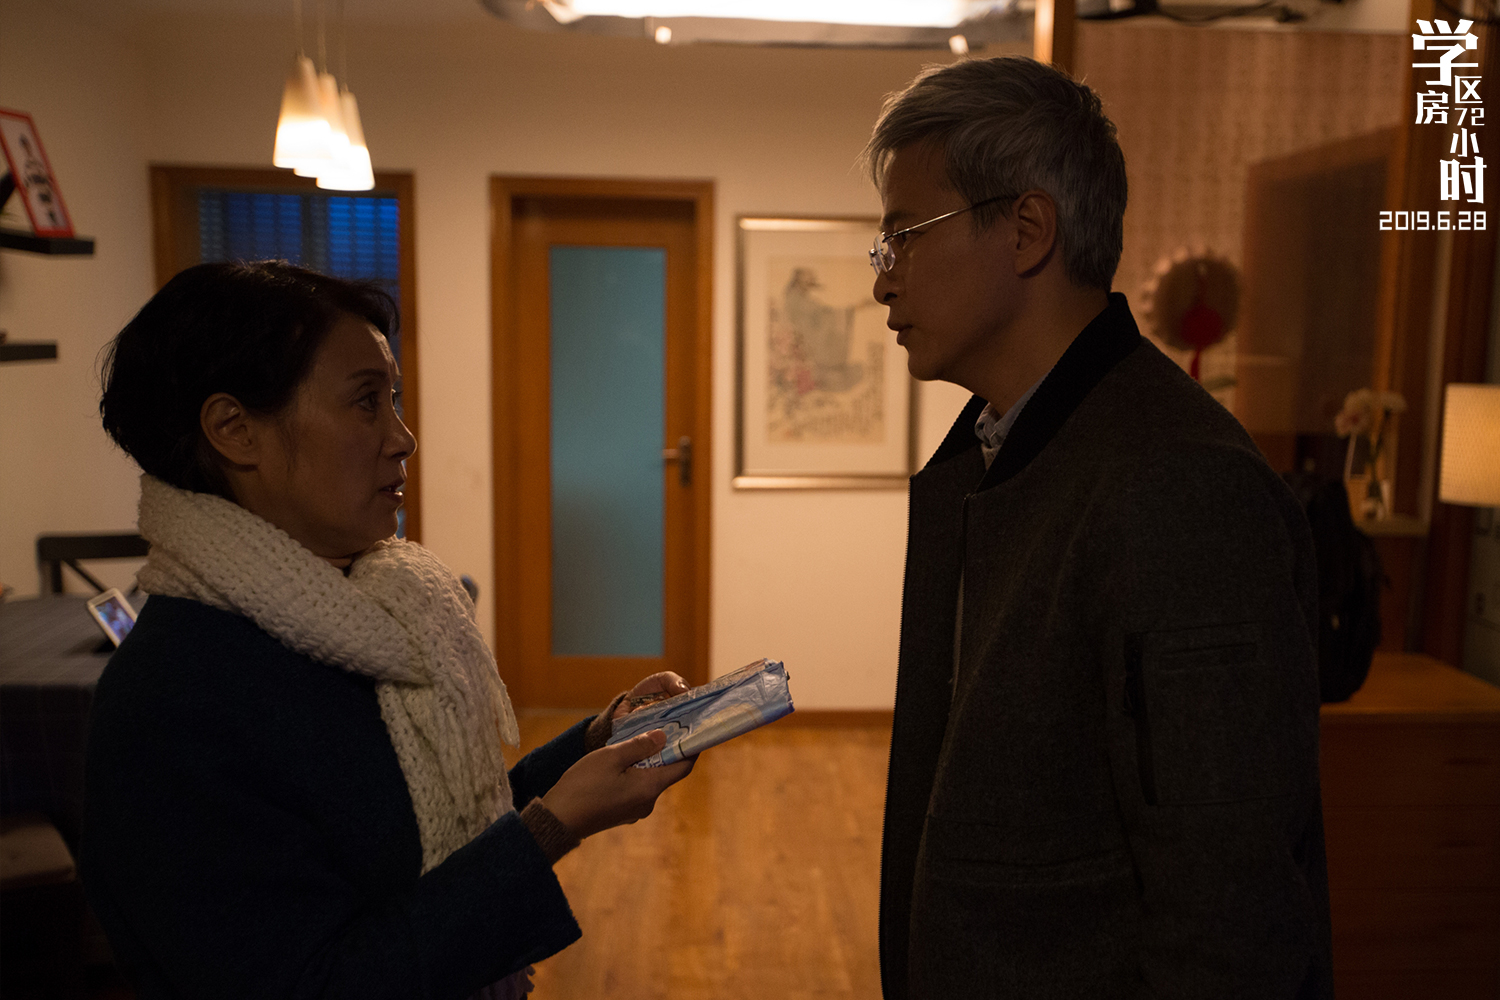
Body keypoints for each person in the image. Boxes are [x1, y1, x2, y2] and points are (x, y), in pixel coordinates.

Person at [81, 260, 694, 1000]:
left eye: (393, 399)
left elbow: (431, 829)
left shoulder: (365, 612)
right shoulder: (173, 702)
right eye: (366, 402)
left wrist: (596, 741)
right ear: (235, 431)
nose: (403, 439)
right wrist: (552, 828)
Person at [866, 57, 1332, 998]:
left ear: (1026, 230)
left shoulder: (1180, 483)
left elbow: (1230, 901)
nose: (884, 283)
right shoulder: (1006, 448)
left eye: (903, 237)